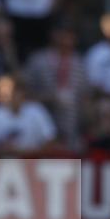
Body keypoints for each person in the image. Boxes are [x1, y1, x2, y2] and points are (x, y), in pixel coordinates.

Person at [23, 20, 87, 152]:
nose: (66, 39)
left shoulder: (80, 63)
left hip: (72, 125)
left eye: (70, 35)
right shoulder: (38, 60)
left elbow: (85, 96)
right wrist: (50, 98)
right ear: (53, 35)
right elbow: (25, 92)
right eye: (62, 35)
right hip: (43, 121)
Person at [0, 73, 58, 157]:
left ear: (22, 92)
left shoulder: (37, 111)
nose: (6, 96)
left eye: (11, 91)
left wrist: (23, 153)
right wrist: (2, 152)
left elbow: (51, 142)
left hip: (31, 163)